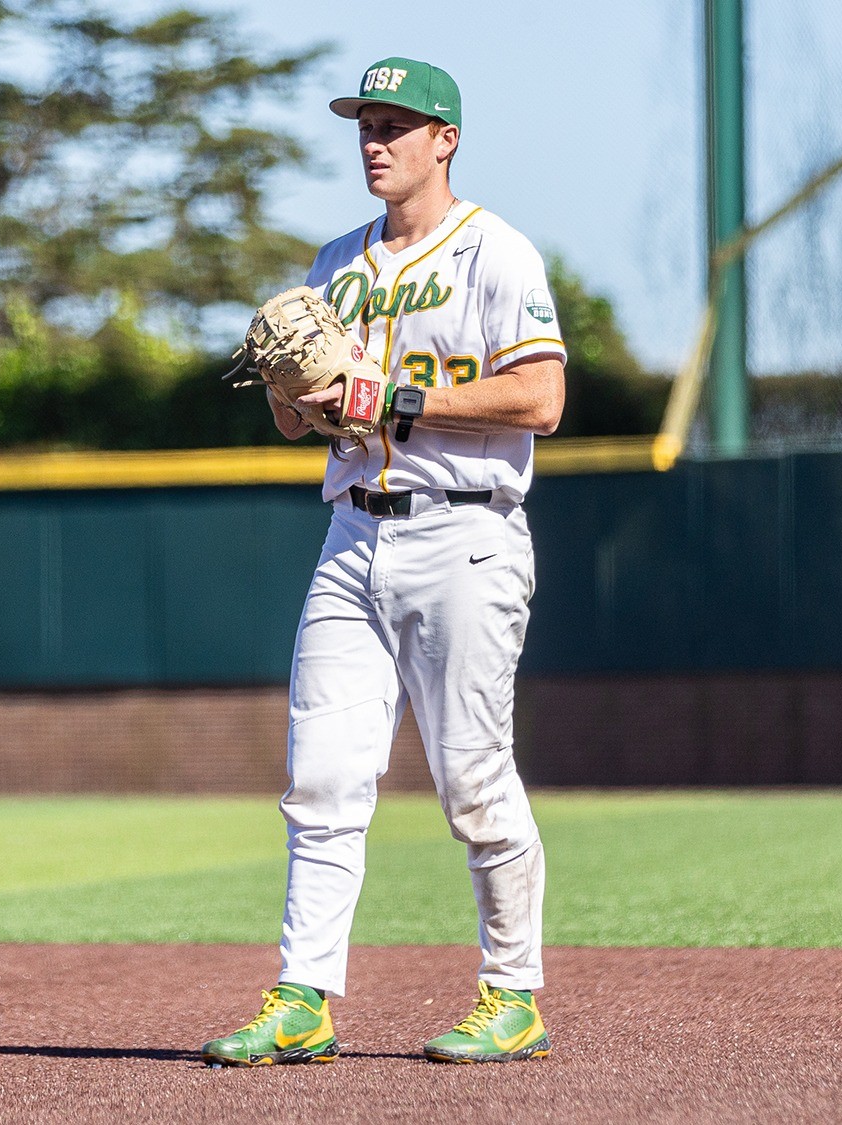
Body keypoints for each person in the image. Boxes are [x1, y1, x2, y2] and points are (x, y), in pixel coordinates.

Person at [200, 56, 566, 1067]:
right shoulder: (333, 262)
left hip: (466, 533)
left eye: (396, 125)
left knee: (471, 781)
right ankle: (302, 998)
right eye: (365, 123)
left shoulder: (497, 254)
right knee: (319, 779)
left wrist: (392, 400)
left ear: (444, 139)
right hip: (351, 534)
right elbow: (296, 425)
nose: (375, 140)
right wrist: (290, 385)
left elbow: (538, 401)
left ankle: (513, 995)